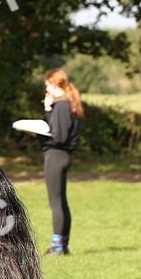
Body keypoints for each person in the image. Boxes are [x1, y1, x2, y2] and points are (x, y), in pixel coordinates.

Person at [40, 68, 83, 256]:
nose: (46, 90)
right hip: (63, 156)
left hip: (56, 156)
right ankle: (62, 245)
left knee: (56, 203)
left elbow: (58, 136)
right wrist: (49, 110)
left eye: (47, 86)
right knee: (61, 202)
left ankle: (58, 247)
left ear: (53, 83)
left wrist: (36, 135)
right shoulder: (67, 104)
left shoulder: (62, 105)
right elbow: (59, 129)